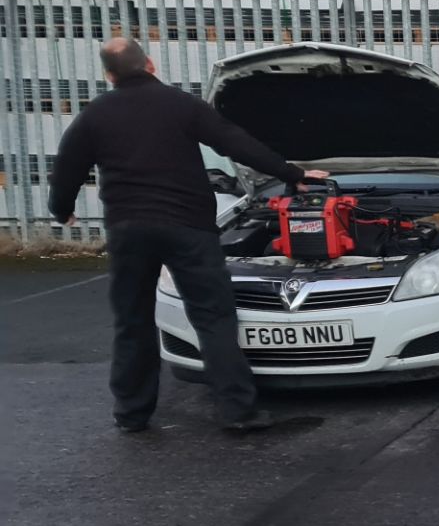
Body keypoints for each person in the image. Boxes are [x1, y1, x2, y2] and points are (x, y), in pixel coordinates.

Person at [46, 38, 328, 434]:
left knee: (132, 320)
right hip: (188, 227)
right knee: (213, 317)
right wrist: (293, 175)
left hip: (129, 230)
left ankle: (132, 413)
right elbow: (235, 141)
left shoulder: (95, 114)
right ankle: (237, 411)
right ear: (151, 64)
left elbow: (67, 166)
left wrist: (62, 209)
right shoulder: (180, 105)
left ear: (109, 75)